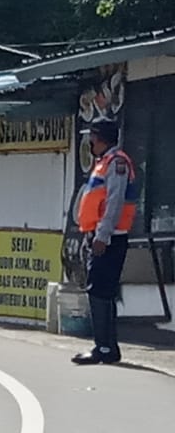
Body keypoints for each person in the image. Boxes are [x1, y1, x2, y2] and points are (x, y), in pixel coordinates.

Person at [72, 118, 139, 366]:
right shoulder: (104, 163)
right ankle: (106, 346)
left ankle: (104, 347)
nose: (90, 142)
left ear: (100, 138)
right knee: (101, 290)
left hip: (110, 238)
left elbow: (114, 203)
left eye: (92, 137)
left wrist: (102, 236)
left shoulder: (116, 163)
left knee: (100, 290)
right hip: (101, 235)